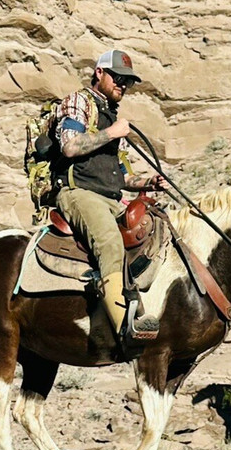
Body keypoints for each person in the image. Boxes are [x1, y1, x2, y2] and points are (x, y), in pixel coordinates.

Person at [54, 49, 168, 343]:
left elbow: (120, 174)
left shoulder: (110, 116)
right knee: (109, 241)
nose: (123, 85)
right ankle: (123, 327)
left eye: (127, 81)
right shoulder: (79, 101)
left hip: (110, 198)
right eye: (118, 77)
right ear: (99, 73)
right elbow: (70, 146)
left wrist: (149, 181)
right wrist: (113, 133)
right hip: (78, 192)